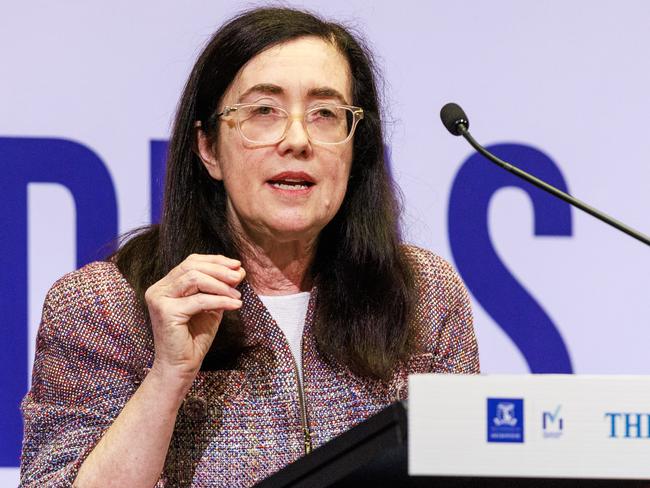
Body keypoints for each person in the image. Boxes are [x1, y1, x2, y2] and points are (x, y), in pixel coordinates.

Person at [19, 7, 479, 487]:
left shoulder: (423, 295)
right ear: (209, 148)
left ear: (354, 145)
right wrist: (167, 377)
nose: (298, 139)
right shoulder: (103, 306)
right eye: (264, 111)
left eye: (325, 113)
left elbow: (473, 474)